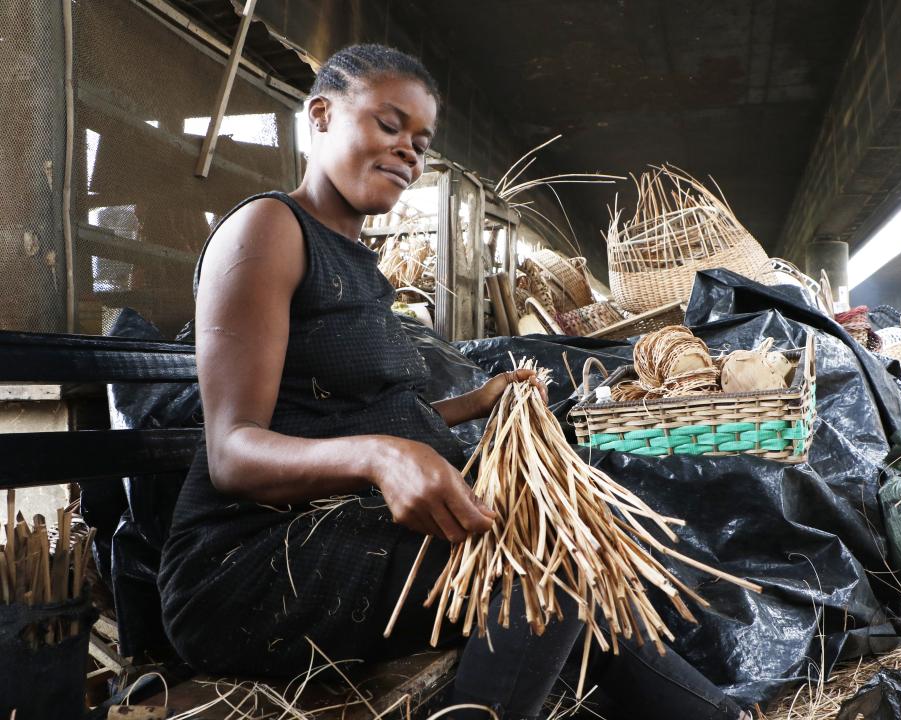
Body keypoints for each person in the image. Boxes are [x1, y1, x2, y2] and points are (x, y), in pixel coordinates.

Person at [158, 44, 748, 720]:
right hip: (247, 568)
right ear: (320, 115)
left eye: (421, 140)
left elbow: (340, 410)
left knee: (575, 542)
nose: (408, 150)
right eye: (388, 124)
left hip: (343, 529)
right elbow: (232, 452)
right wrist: (380, 458)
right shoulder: (268, 229)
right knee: (541, 567)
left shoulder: (359, 260)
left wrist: (479, 401)